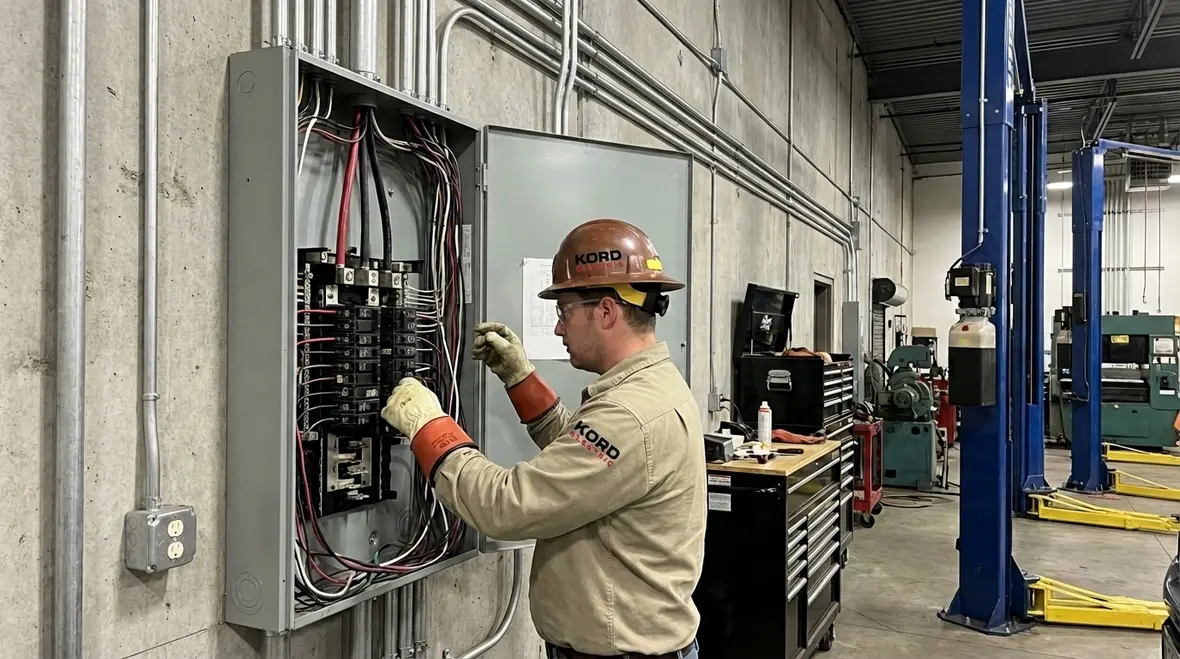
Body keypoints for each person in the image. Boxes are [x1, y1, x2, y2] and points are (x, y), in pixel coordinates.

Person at [381, 218, 706, 659]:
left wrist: (428, 428)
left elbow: (507, 506)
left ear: (607, 311)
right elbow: (585, 463)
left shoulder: (630, 414)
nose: (557, 329)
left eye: (564, 312)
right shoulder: (650, 389)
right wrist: (520, 378)